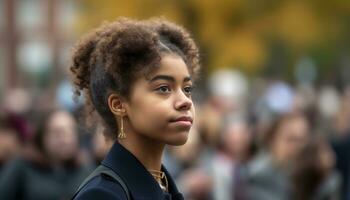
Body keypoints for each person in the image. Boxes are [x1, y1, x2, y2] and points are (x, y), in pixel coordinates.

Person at [70, 17, 200, 199]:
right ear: (119, 105)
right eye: (163, 88)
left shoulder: (165, 186)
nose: (185, 101)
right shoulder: (102, 195)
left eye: (187, 89)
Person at [0, 109, 92, 200]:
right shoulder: (22, 167)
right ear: (42, 137)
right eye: (58, 133)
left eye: (71, 132)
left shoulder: (85, 169)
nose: (66, 140)